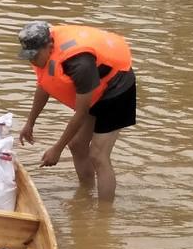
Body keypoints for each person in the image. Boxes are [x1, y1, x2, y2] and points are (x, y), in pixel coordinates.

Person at [16, 21, 135, 202]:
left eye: (34, 56)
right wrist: (29, 123)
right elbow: (44, 84)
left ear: (49, 47)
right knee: (77, 145)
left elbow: (81, 113)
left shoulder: (80, 65)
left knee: (98, 155)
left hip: (117, 88)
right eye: (28, 56)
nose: (32, 61)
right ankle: (85, 197)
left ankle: (104, 216)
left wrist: (57, 149)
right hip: (95, 87)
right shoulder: (45, 56)